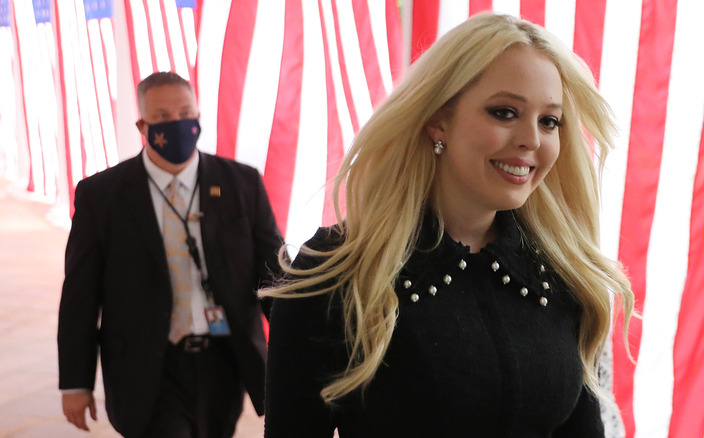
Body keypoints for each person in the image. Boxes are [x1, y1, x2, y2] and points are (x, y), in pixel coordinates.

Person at [261, 13, 634, 438]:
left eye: (549, 121)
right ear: (438, 119)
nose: (531, 138)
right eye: (505, 112)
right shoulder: (339, 268)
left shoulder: (565, 274)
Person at [57, 71, 284, 437]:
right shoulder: (102, 195)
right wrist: (75, 383)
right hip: (147, 365)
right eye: (162, 118)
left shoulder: (241, 183)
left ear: (198, 116)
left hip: (224, 360)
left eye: (185, 113)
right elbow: (80, 296)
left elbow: (275, 277)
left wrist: (300, 355)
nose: (176, 124)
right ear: (142, 125)